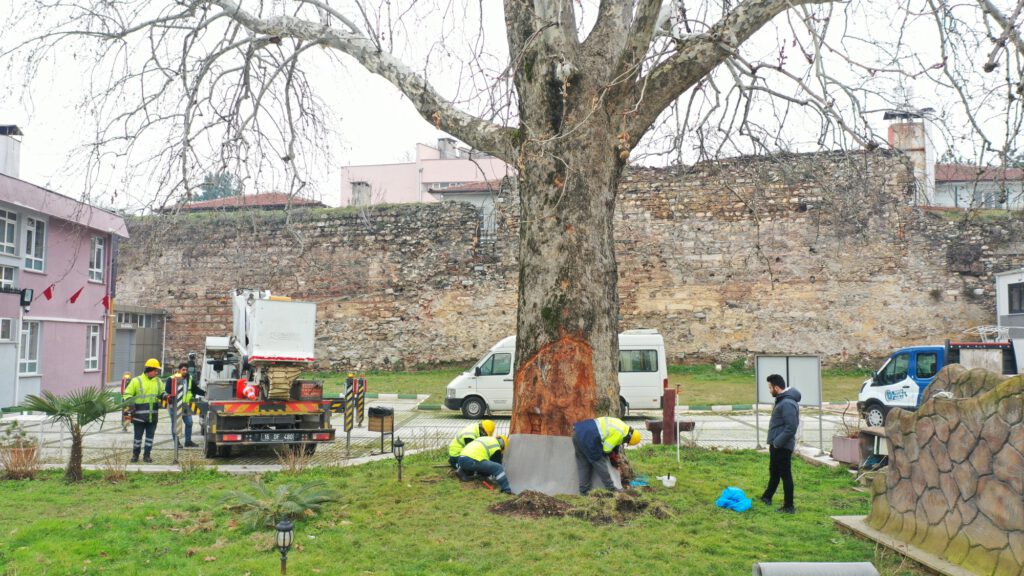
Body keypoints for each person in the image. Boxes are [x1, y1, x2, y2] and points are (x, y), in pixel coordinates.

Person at [760, 373, 801, 514]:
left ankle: (789, 506)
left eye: (770, 387)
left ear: (776, 388)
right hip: (777, 445)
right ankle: (766, 497)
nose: (769, 390)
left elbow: (791, 427)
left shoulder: (787, 403)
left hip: (782, 446)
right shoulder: (782, 400)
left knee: (785, 476)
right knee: (774, 472)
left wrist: (777, 443)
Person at [572, 416, 641, 495]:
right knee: (600, 463)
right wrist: (611, 457)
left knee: (583, 464)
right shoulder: (620, 433)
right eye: (627, 442)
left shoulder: (621, 426)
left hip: (577, 434)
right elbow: (606, 449)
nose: (625, 443)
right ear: (629, 438)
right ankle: (611, 489)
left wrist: (615, 453)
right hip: (589, 437)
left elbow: (615, 442)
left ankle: (583, 491)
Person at [123, 358, 166, 463]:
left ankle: (147, 456)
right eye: (155, 370)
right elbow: (127, 394)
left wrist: (165, 396)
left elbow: (162, 393)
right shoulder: (136, 381)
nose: (157, 372)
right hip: (139, 416)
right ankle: (135, 455)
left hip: (153, 416)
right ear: (149, 369)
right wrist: (131, 404)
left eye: (157, 371)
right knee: (137, 438)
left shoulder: (158, 381)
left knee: (149, 438)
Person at [165, 362, 205, 448]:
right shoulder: (171, 379)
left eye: (186, 370)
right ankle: (177, 442)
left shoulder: (189, 379)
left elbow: (195, 389)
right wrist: (170, 401)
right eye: (183, 369)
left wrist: (206, 393)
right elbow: (167, 392)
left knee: (189, 423)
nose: (185, 371)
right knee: (176, 424)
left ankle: (188, 441)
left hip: (186, 406)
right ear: (179, 370)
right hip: (174, 405)